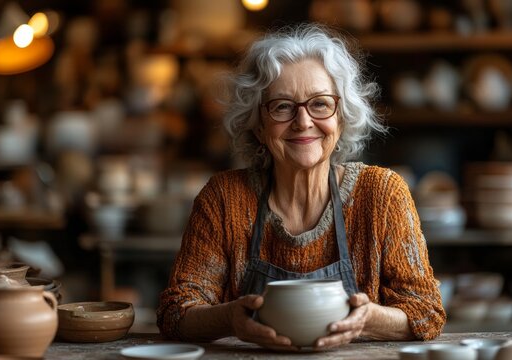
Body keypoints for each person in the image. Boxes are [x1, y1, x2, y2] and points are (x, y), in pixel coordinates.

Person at [156, 24, 445, 350]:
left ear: (342, 117)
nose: (303, 122)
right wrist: (230, 319)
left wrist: (368, 318)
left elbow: (427, 312)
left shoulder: (381, 194)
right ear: (258, 124)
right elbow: (175, 312)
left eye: (320, 104)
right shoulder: (224, 199)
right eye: (282, 106)